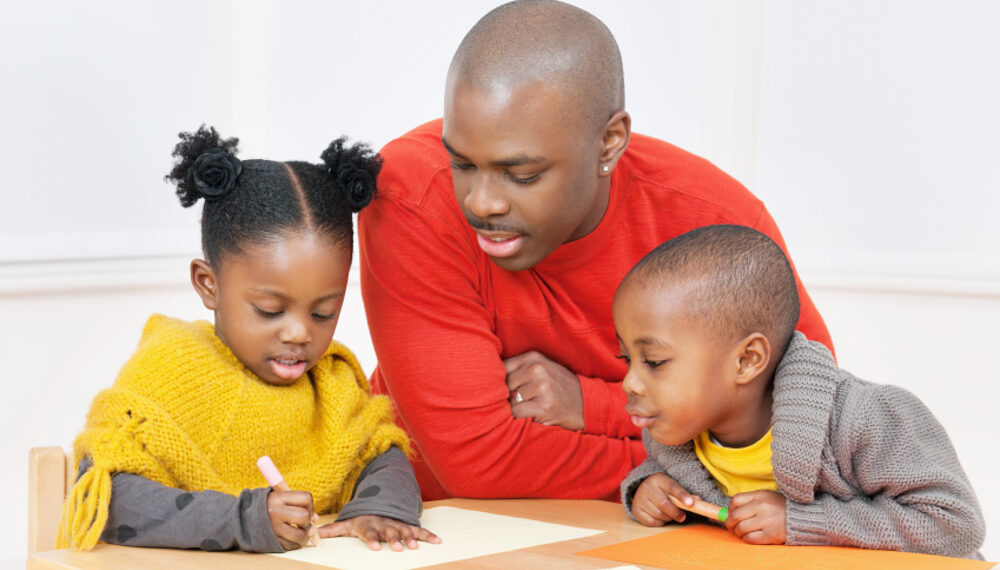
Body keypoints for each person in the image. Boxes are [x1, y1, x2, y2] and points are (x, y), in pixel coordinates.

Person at [359, 0, 834, 502]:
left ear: (609, 142)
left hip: (667, 534)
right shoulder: (411, 192)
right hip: (437, 529)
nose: (481, 202)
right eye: (461, 164)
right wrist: (712, 471)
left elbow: (812, 434)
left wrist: (595, 405)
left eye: (523, 175)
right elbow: (481, 463)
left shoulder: (719, 222)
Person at [57, 126, 440, 553]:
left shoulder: (331, 383)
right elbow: (110, 500)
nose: (299, 332)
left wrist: (380, 508)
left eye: (323, 313)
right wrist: (242, 519)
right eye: (270, 310)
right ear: (208, 284)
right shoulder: (171, 368)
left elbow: (383, 455)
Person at [616, 224, 984, 559]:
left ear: (747, 361)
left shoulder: (865, 419)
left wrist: (801, 522)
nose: (630, 382)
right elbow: (694, 481)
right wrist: (648, 489)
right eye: (625, 357)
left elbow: (956, 524)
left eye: (654, 361)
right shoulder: (681, 435)